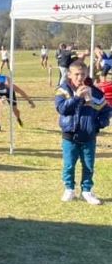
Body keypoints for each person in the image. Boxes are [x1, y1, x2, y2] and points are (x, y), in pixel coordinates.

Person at [55, 60, 110, 205]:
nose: (80, 77)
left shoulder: (95, 92)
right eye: (76, 74)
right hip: (70, 135)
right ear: (69, 74)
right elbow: (62, 109)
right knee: (69, 164)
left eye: (83, 74)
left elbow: (106, 111)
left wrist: (97, 125)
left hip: (89, 136)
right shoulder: (63, 90)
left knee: (88, 165)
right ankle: (69, 189)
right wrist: (76, 98)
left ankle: (87, 191)